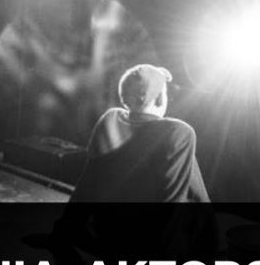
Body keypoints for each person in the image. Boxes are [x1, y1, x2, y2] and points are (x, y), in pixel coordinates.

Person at [72, 63, 210, 203]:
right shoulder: (177, 132)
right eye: (165, 93)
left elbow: (87, 181)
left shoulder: (110, 119)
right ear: (160, 98)